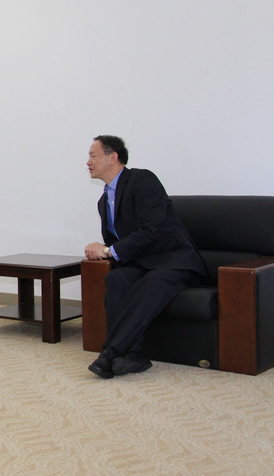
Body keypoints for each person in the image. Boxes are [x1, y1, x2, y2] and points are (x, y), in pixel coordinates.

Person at [83, 135, 206, 378]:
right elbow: (118, 242)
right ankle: (135, 354)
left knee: (151, 282)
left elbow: (152, 230)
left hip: (174, 261)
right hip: (142, 263)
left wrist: (107, 250)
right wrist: (103, 248)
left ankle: (111, 351)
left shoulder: (142, 180)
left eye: (93, 155)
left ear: (113, 157)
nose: (88, 162)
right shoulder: (104, 201)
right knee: (116, 279)